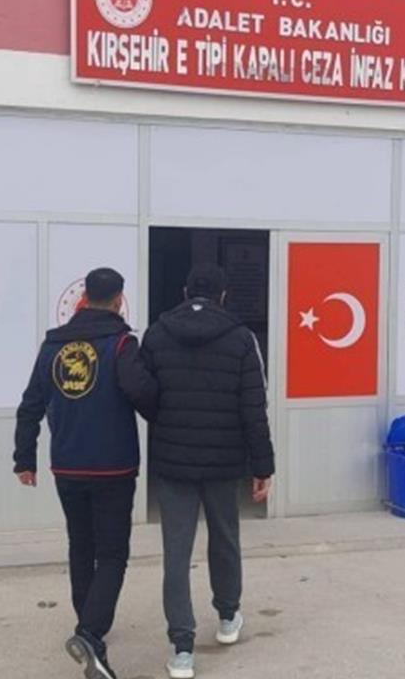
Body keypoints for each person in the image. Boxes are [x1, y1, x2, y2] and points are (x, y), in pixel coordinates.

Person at [14, 267, 157, 679]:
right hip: (114, 467)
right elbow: (142, 393)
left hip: (68, 465)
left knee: (81, 545)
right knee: (112, 553)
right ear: (118, 300)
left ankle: (87, 623)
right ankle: (91, 634)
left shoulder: (53, 346)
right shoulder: (122, 344)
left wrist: (24, 459)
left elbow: (30, 404)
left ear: (83, 298)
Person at [140, 264, 275, 679]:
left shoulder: (156, 335)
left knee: (176, 554)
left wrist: (166, 420)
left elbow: (144, 393)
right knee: (225, 537)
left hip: (173, 460)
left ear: (184, 292)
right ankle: (228, 616)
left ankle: (182, 648)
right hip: (223, 461)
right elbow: (254, 408)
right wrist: (263, 465)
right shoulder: (242, 339)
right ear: (224, 295)